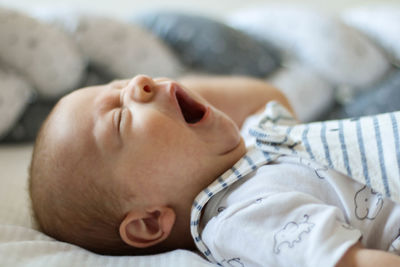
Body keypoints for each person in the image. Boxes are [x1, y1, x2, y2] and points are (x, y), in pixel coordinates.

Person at [28, 74, 400, 267]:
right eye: (121, 119)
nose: (140, 82)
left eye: (122, 85)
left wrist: (165, 94)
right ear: (149, 223)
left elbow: (264, 96)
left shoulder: (249, 142)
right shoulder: (239, 218)